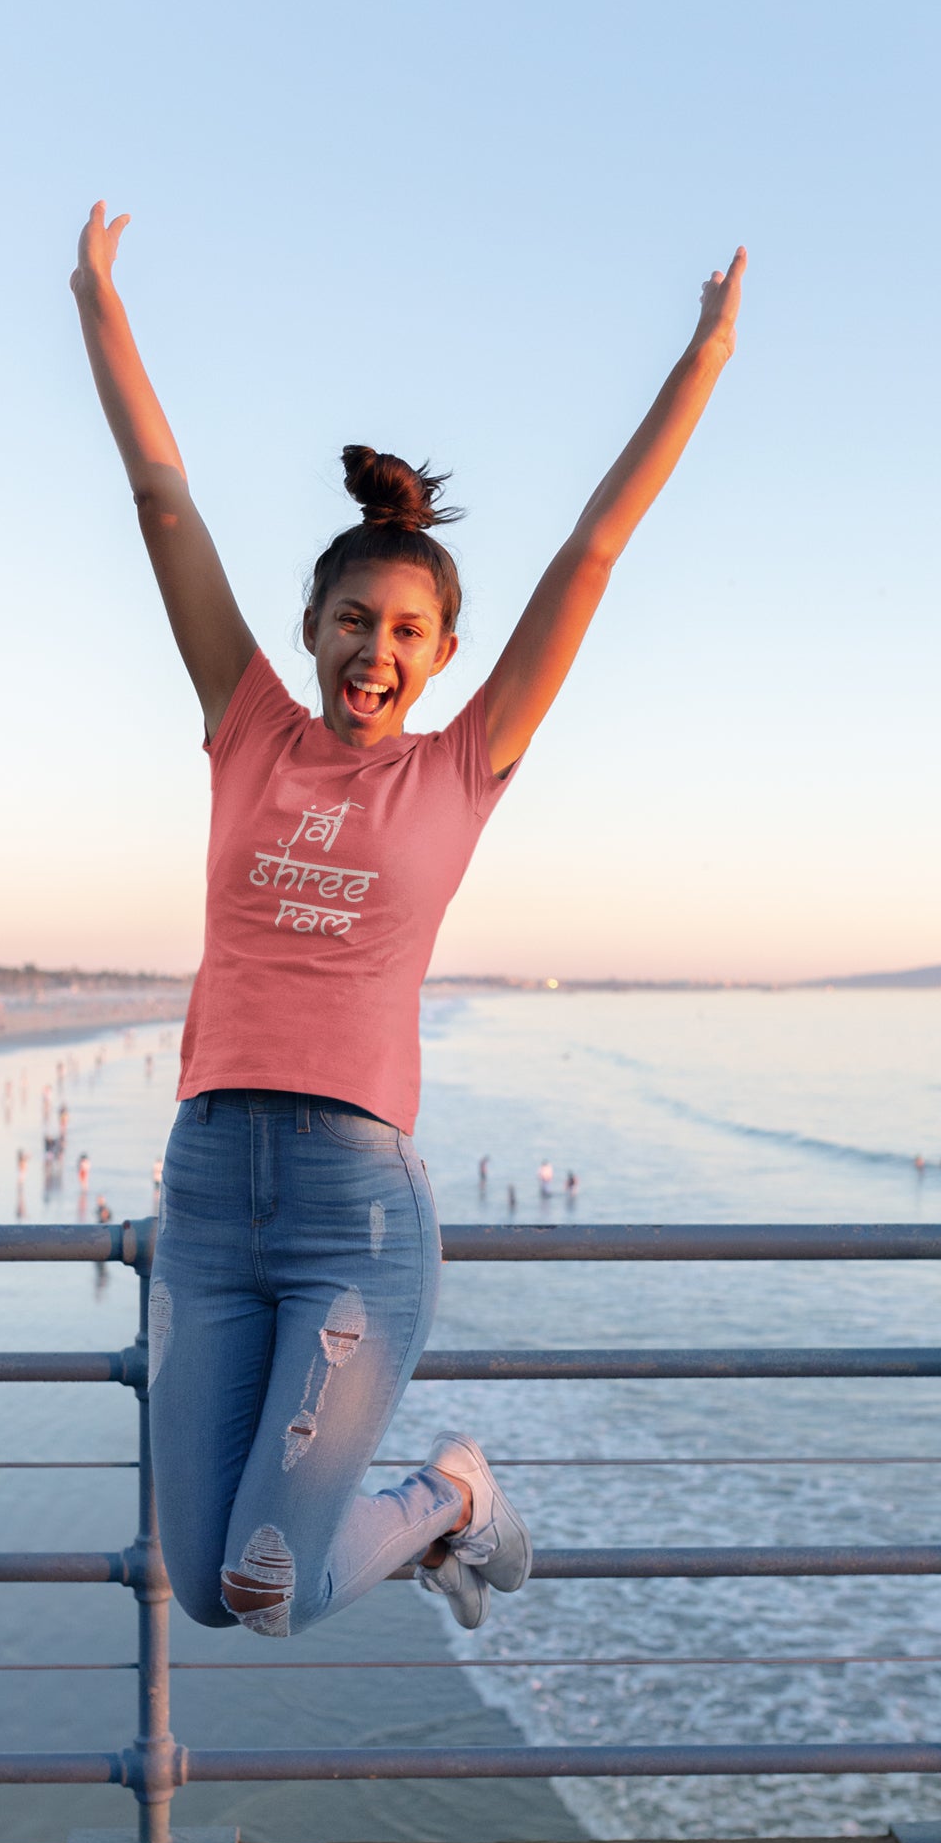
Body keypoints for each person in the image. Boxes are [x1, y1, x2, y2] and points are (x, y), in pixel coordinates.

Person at [72, 199, 743, 1636]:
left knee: (270, 1587)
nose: (375, 651)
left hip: (352, 1209)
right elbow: (163, 505)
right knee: (204, 1587)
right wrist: (96, 301)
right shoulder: (247, 727)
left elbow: (593, 551)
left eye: (407, 633)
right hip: (203, 1189)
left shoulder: (459, 769)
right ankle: (433, 1521)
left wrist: (703, 358)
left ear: (441, 658)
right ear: (311, 627)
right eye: (352, 621)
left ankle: (454, 1500)